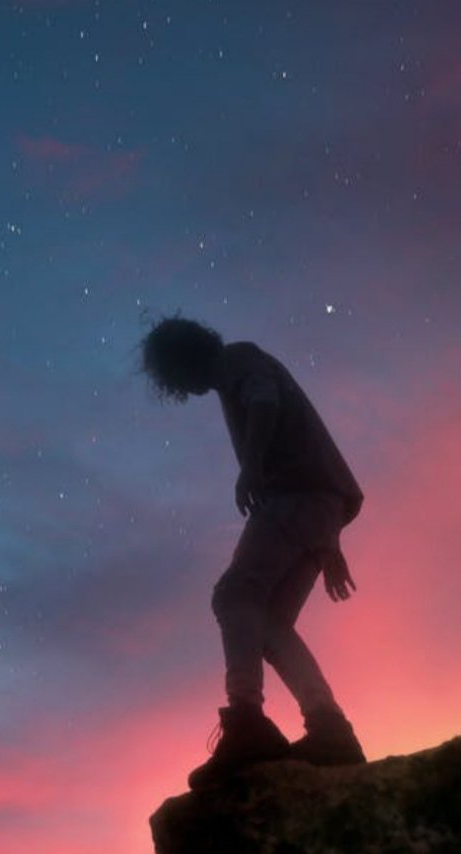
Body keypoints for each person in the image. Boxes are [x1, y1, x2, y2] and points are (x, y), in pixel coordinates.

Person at [139, 314, 366, 788]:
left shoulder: (237, 359)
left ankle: (247, 723)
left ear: (181, 361)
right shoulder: (232, 375)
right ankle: (330, 729)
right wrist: (327, 540)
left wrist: (252, 467)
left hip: (294, 495)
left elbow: (265, 400)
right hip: (317, 506)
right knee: (271, 625)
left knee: (234, 596)